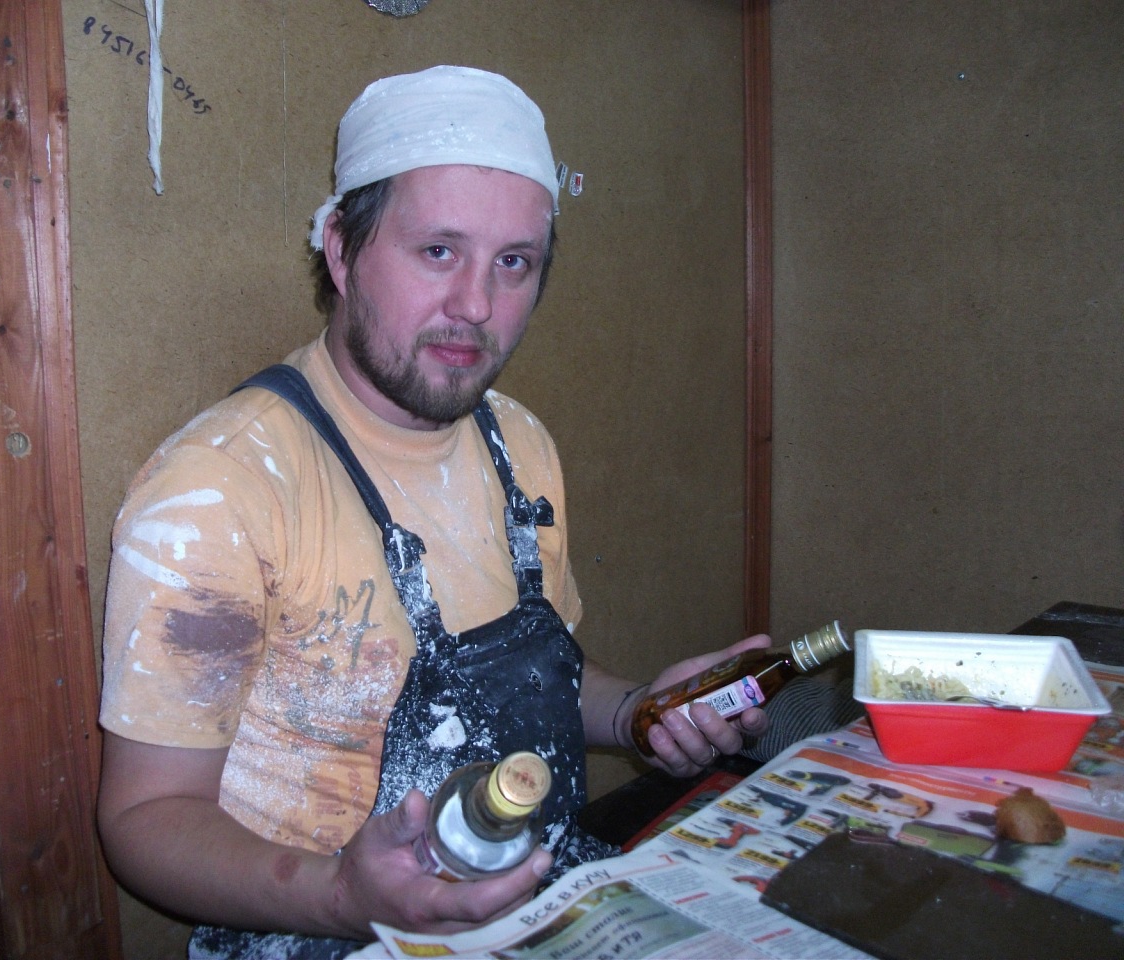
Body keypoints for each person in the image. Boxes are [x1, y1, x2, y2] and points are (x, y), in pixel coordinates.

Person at [96, 65, 774, 960]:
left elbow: (538, 691)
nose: (475, 306)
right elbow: (146, 817)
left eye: (513, 263)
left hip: (535, 903)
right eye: (439, 252)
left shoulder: (518, 442)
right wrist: (342, 896)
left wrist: (646, 714)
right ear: (342, 251)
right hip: (322, 936)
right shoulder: (220, 487)